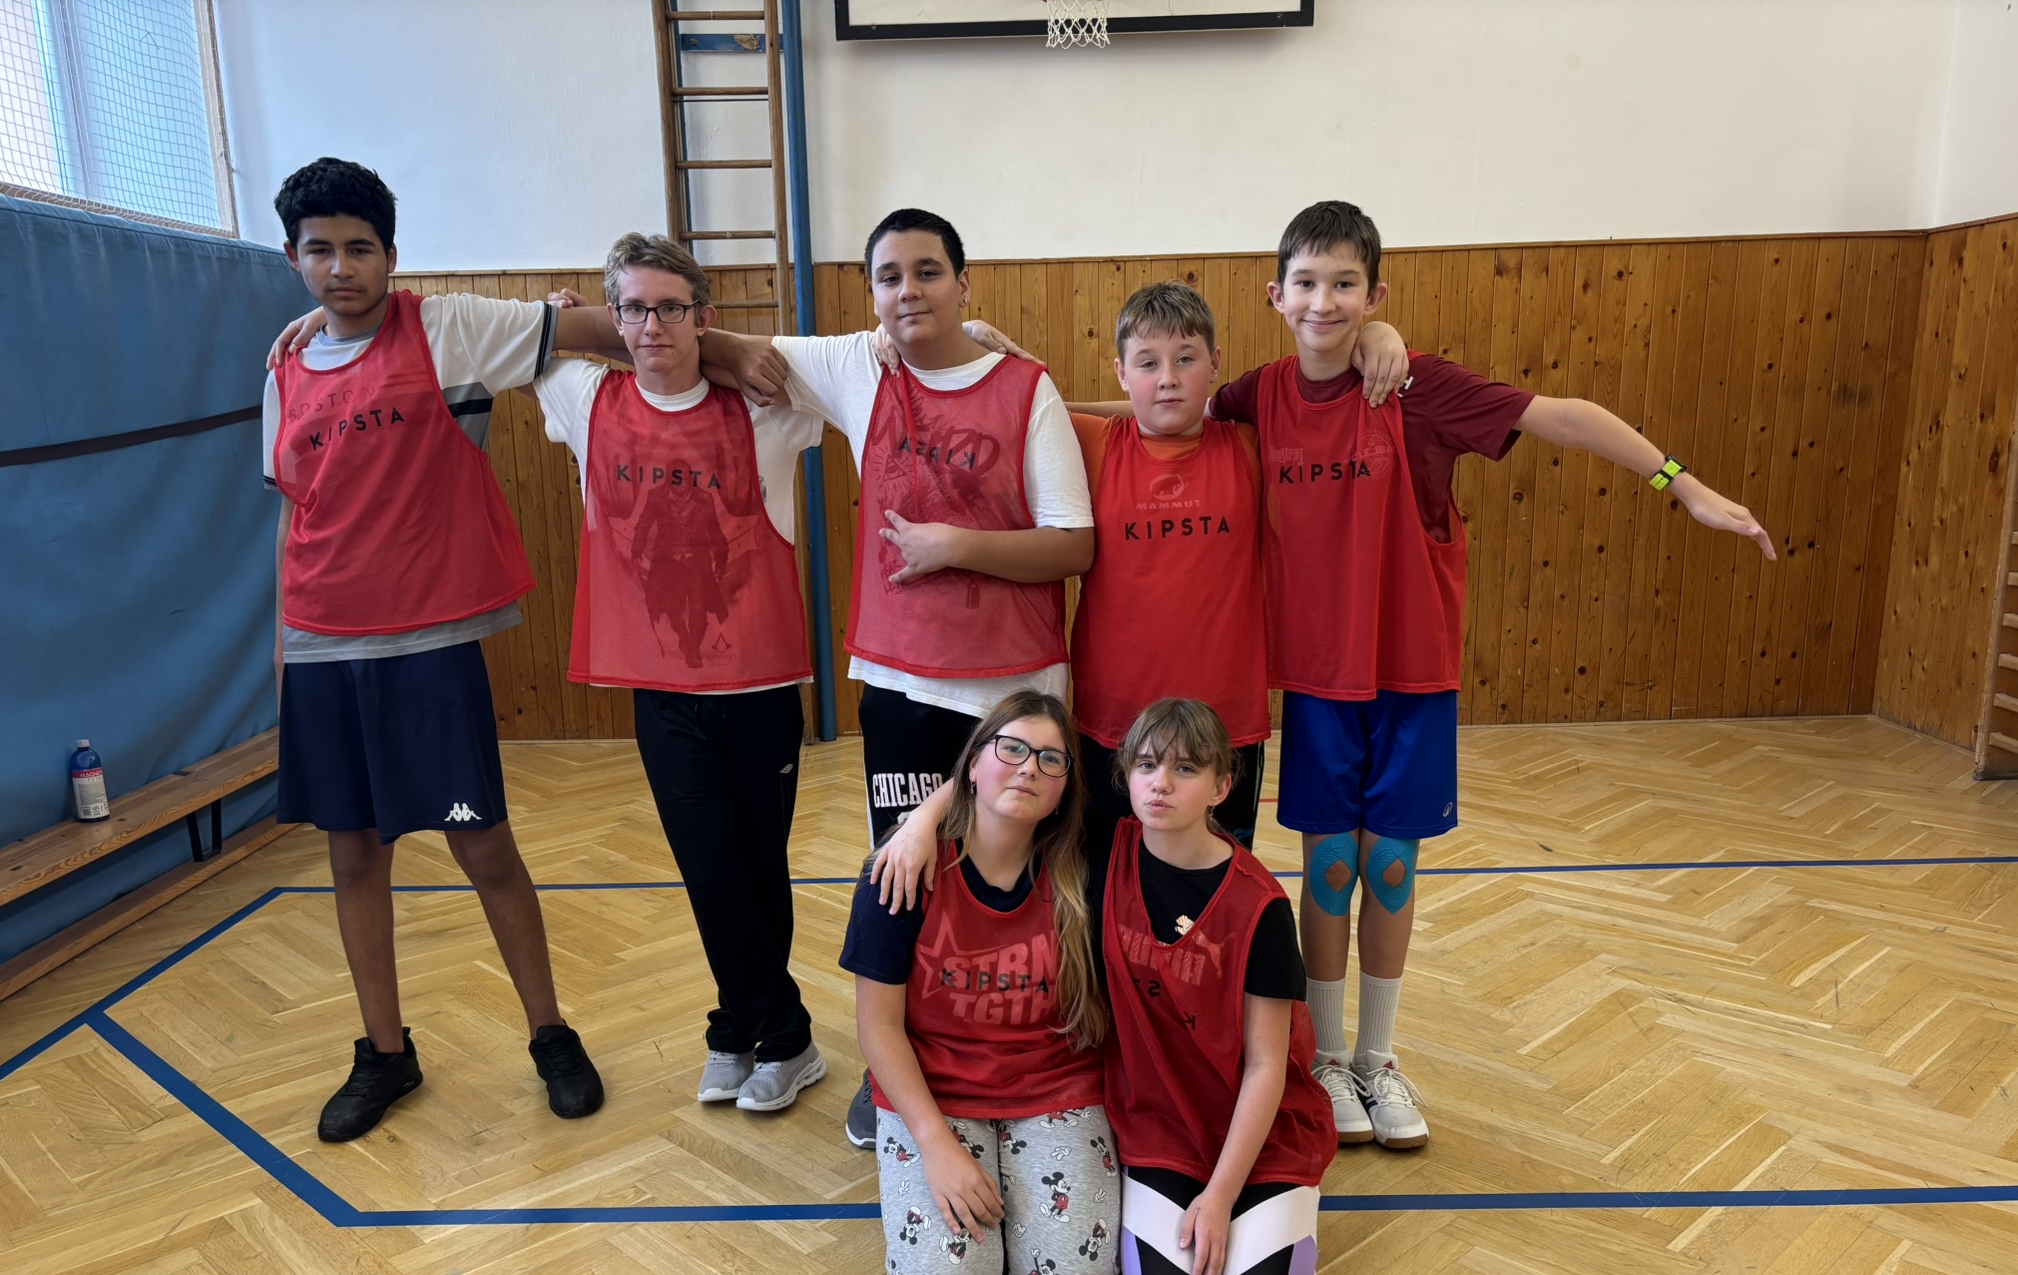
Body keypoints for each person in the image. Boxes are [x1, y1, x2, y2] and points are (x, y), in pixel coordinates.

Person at [1213, 201, 1777, 1150]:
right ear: (1276, 295)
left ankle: (1378, 1058)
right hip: (1318, 680)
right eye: (1306, 283)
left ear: (1376, 295)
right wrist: (1023, 388)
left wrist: (1682, 485)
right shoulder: (1259, 395)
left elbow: (1567, 417)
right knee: (1331, 865)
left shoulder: (1415, 386)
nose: (1324, 301)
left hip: (1413, 675)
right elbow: (1161, 405)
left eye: (1346, 284)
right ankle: (1327, 1057)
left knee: (1390, 866)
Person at [715, 208, 1096, 1151]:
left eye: (928, 272)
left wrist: (953, 545)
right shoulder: (857, 366)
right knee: (905, 868)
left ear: (964, 284)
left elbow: (1072, 545)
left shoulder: (1025, 387)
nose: (908, 290)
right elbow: (709, 345)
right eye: (889, 277)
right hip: (896, 675)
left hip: (1011, 684)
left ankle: (1027, 1052)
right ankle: (898, 1064)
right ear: (871, 294)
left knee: (1018, 873)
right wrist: (616, 321)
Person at [263, 157, 622, 1140]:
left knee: (484, 844)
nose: (341, 268)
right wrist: (283, 653)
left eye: (360, 248)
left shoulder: (449, 328)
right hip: (321, 642)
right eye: (320, 250)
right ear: (293, 257)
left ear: (392, 254)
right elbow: (293, 511)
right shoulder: (284, 365)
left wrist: (716, 352)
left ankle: (550, 1032)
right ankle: (385, 1053)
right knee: (352, 856)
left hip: (428, 642)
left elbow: (609, 332)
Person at [531, 234, 826, 1112]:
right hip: (662, 694)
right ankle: (781, 1033)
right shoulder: (588, 399)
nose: (651, 324)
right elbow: (522, 339)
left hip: (760, 689)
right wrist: (560, 316)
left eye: (670, 308)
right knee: (707, 866)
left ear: (704, 317)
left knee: (756, 866)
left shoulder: (768, 408)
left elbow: (860, 368)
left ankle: (742, 1029)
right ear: (614, 317)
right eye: (633, 308)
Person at [1060, 280, 1406, 874]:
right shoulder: (1093, 443)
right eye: (1148, 363)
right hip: (1113, 723)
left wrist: (1376, 333)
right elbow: (1017, 401)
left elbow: (1325, 396)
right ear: (1120, 373)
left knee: (1219, 893)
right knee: (1108, 891)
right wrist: (968, 336)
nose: (1168, 378)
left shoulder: (1250, 442)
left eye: (1186, 359)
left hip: (1224, 723)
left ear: (1216, 364)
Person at [838, 691, 1119, 1275]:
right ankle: (987, 1245)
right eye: (1011, 749)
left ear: (1064, 789)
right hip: (938, 1095)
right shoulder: (903, 869)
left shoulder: (1080, 869)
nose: (1028, 768)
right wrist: (935, 1144)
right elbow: (877, 1027)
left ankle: (1011, 1240)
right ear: (972, 764)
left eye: (1050, 759)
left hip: (1052, 1086)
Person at [1101, 698, 1337, 1275]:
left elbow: (1266, 1065)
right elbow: (1000, 795)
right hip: (1162, 1120)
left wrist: (1222, 1196)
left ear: (1221, 787)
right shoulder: (1107, 855)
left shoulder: (1259, 907)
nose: (1160, 783)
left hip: (1257, 1124)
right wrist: (922, 823)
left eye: (1185, 768)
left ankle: (1280, 1208)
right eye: (1146, 765)